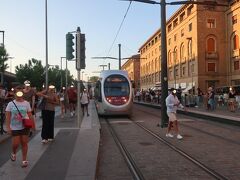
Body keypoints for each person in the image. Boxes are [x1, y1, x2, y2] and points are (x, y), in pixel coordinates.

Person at [5, 85, 35, 168]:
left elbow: (30, 115)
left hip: (25, 126)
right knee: (16, 144)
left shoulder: (26, 103)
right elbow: (8, 117)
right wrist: (8, 128)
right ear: (14, 94)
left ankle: (24, 160)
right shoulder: (10, 104)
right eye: (17, 92)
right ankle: (13, 152)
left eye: (20, 92)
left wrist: (33, 125)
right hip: (14, 127)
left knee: (24, 143)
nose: (19, 94)